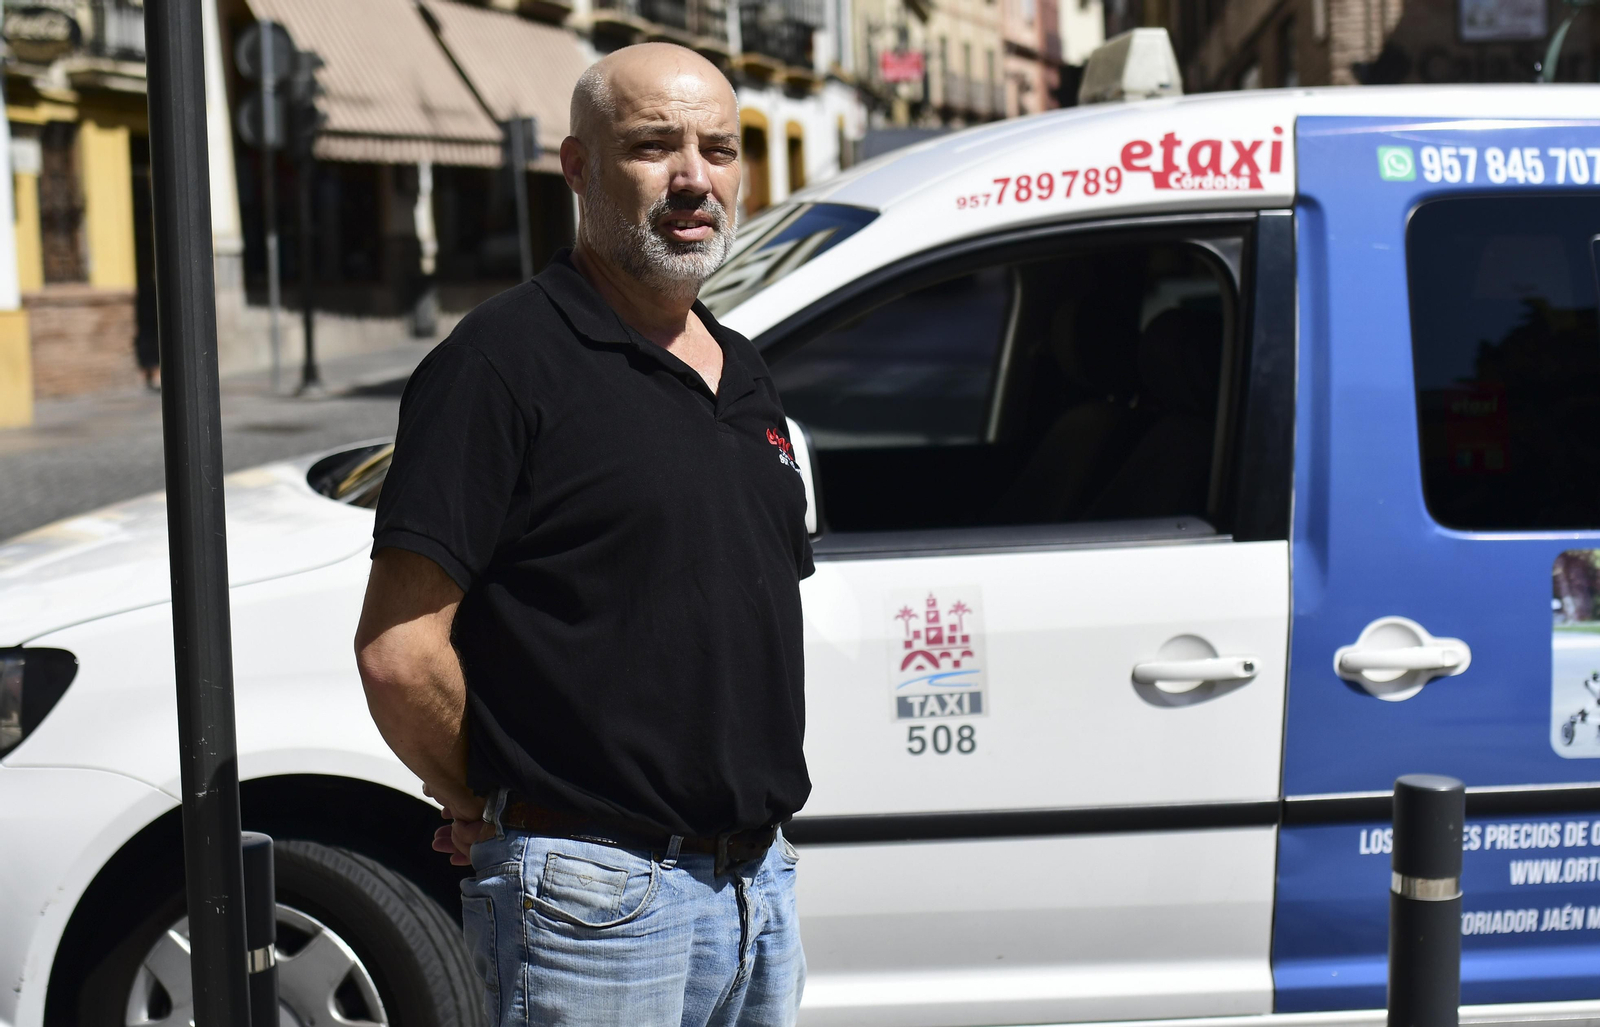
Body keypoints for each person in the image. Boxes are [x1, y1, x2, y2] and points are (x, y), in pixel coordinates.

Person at [353, 42, 813, 1027]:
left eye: (720, 150)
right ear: (577, 167)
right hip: (595, 901)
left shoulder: (744, 369)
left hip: (757, 887)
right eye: (654, 146)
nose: (695, 178)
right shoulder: (501, 364)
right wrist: (485, 797)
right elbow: (400, 650)